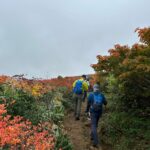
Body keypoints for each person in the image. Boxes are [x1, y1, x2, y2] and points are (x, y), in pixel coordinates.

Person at [85, 83, 107, 147]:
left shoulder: (91, 95)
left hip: (93, 112)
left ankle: (95, 141)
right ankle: (92, 136)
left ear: (94, 88)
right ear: (98, 88)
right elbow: (105, 103)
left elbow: (88, 104)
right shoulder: (102, 95)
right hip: (99, 112)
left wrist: (87, 110)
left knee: (93, 125)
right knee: (95, 124)